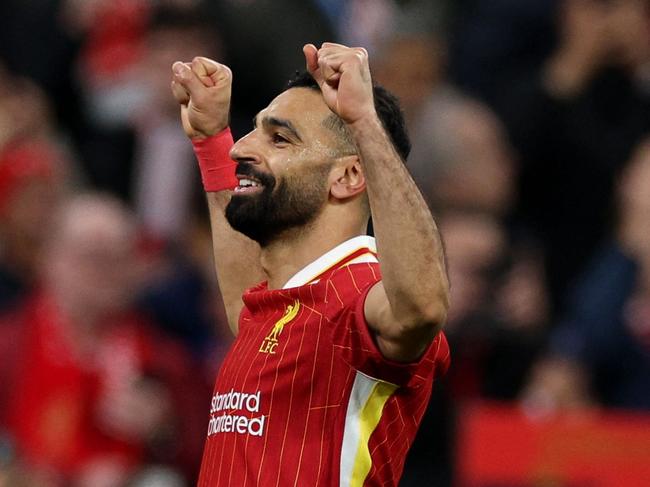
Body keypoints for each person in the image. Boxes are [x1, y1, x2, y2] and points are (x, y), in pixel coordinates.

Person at [170, 42, 450, 486]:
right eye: (252, 132)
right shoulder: (278, 304)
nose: (240, 148)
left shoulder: (362, 289)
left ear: (349, 176)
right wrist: (210, 140)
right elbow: (243, 309)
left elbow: (422, 308)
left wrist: (362, 121)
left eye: (279, 138)